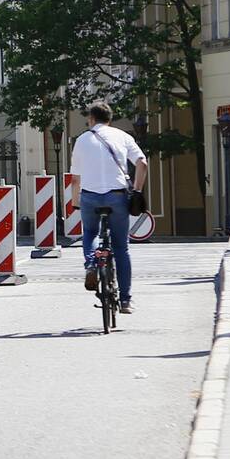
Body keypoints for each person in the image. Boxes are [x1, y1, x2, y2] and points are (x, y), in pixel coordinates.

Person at [70, 101, 148, 314]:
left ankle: (92, 264)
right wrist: (138, 190)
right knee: (121, 247)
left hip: (90, 197)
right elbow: (142, 163)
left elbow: (75, 179)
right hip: (117, 197)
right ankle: (125, 300)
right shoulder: (123, 137)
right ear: (109, 119)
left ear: (91, 119)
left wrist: (75, 202)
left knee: (90, 233)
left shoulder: (82, 140)